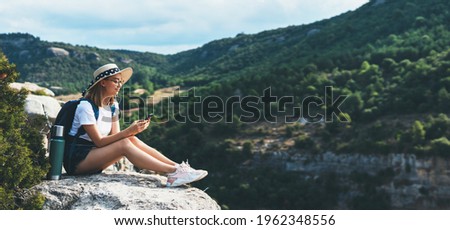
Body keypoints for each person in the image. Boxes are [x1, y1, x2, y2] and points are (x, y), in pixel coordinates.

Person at [63, 63, 207, 187]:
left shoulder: (113, 106)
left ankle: (178, 168)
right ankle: (172, 173)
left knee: (130, 140)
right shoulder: (85, 107)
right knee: (125, 143)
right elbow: (99, 142)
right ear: (103, 82)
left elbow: (115, 137)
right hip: (77, 161)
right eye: (115, 81)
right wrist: (129, 131)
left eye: (120, 82)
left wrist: (133, 131)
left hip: (95, 156)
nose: (119, 85)